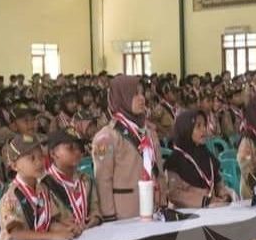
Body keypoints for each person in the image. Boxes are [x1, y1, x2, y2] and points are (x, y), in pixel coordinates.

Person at [92, 76, 167, 221]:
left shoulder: (148, 131)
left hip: (154, 208)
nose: (142, 98)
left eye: (142, 93)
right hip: (125, 213)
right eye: (134, 94)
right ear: (121, 97)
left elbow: (158, 169)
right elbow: (103, 180)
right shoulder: (106, 137)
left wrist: (163, 198)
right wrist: (109, 216)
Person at [166, 110, 232, 207]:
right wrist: (205, 201)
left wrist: (224, 195)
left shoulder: (207, 155)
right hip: (188, 213)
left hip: (213, 209)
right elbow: (175, 194)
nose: (204, 129)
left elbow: (218, 183)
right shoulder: (176, 160)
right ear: (186, 129)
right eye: (198, 126)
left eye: (204, 125)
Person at [42, 128, 102, 229]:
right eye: (70, 148)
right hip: (64, 237)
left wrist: (95, 218)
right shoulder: (45, 184)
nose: (77, 152)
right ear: (53, 154)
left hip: (89, 234)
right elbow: (49, 222)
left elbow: (95, 208)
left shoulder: (86, 179)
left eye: (79, 147)